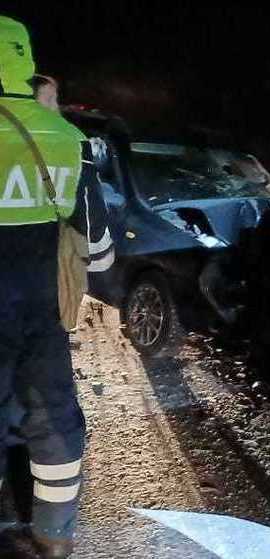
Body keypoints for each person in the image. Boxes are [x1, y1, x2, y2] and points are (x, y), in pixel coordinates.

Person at [0, 16, 113, 558]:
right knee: (55, 423)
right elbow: (101, 251)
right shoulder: (69, 140)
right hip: (42, 315)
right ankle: (54, 537)